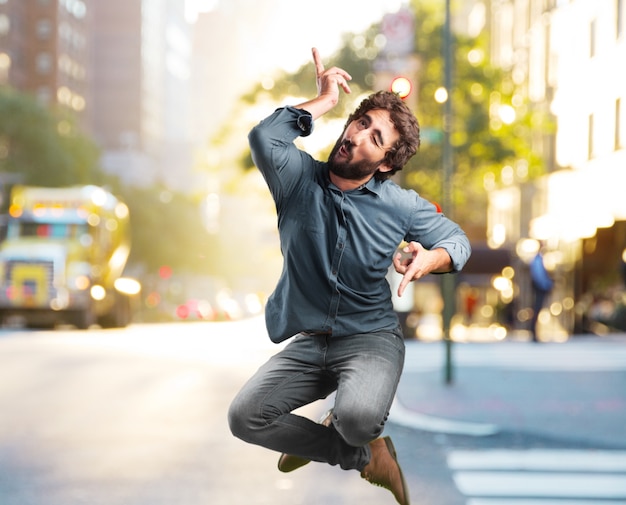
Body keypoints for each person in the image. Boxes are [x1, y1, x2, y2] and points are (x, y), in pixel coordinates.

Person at [227, 48, 471, 505]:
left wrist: (429, 258)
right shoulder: (296, 179)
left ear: (384, 164)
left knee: (358, 417)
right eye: (360, 123)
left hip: (371, 339)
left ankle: (352, 432)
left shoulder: (399, 205)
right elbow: (265, 137)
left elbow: (457, 241)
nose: (357, 135)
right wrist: (321, 102)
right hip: (310, 341)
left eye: (374, 136)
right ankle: (362, 456)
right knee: (245, 417)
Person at [529, 247, 554, 342]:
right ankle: (533, 332)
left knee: (537, 310)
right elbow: (539, 275)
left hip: (540, 287)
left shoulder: (538, 260)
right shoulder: (538, 260)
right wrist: (547, 285)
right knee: (536, 310)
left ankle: (534, 332)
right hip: (540, 288)